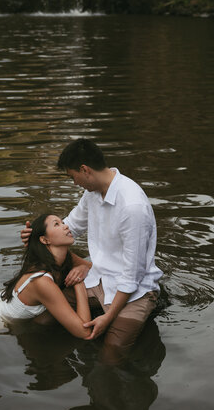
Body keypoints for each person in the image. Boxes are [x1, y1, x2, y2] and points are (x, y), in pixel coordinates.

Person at [21, 139, 163, 364]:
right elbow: (72, 227)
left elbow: (131, 276)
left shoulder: (132, 207)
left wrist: (108, 318)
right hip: (98, 277)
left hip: (135, 292)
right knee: (43, 318)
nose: (75, 183)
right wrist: (39, 239)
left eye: (72, 176)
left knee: (111, 352)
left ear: (84, 170)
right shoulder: (93, 194)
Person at [0, 213, 91, 338]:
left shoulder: (62, 259)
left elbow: (100, 269)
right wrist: (79, 283)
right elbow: (84, 332)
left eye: (63, 222)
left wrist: (83, 268)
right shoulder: (42, 281)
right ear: (44, 240)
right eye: (57, 224)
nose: (66, 225)